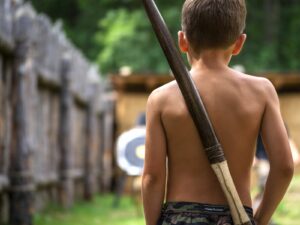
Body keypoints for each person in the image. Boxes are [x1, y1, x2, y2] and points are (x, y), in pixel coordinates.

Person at [141, 0, 294, 225]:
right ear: (239, 43)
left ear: (182, 41)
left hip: (179, 218)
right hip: (234, 217)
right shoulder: (261, 91)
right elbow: (284, 167)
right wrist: (260, 220)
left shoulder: (161, 98)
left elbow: (152, 178)